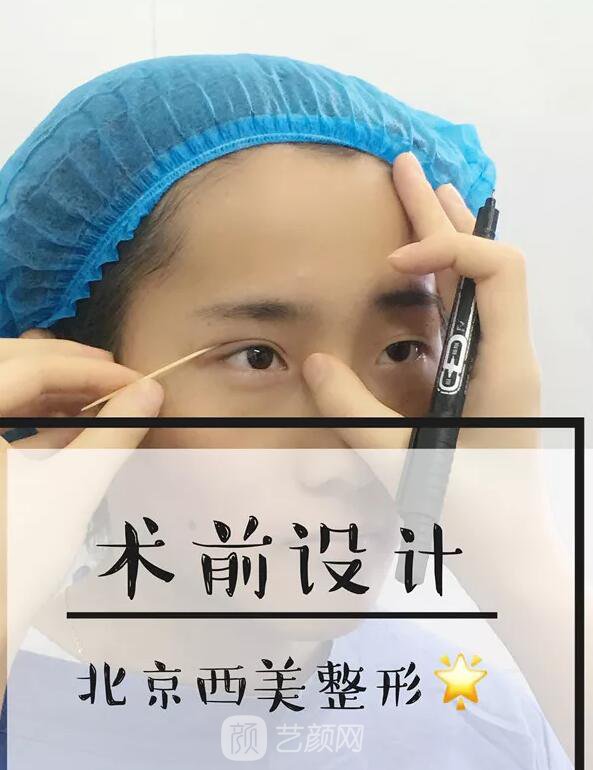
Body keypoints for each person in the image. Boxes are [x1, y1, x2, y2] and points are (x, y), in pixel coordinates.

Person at [0, 53, 576, 768]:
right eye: (256, 357)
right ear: (71, 393)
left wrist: (528, 576)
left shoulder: (483, 717)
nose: (349, 460)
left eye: (402, 350)